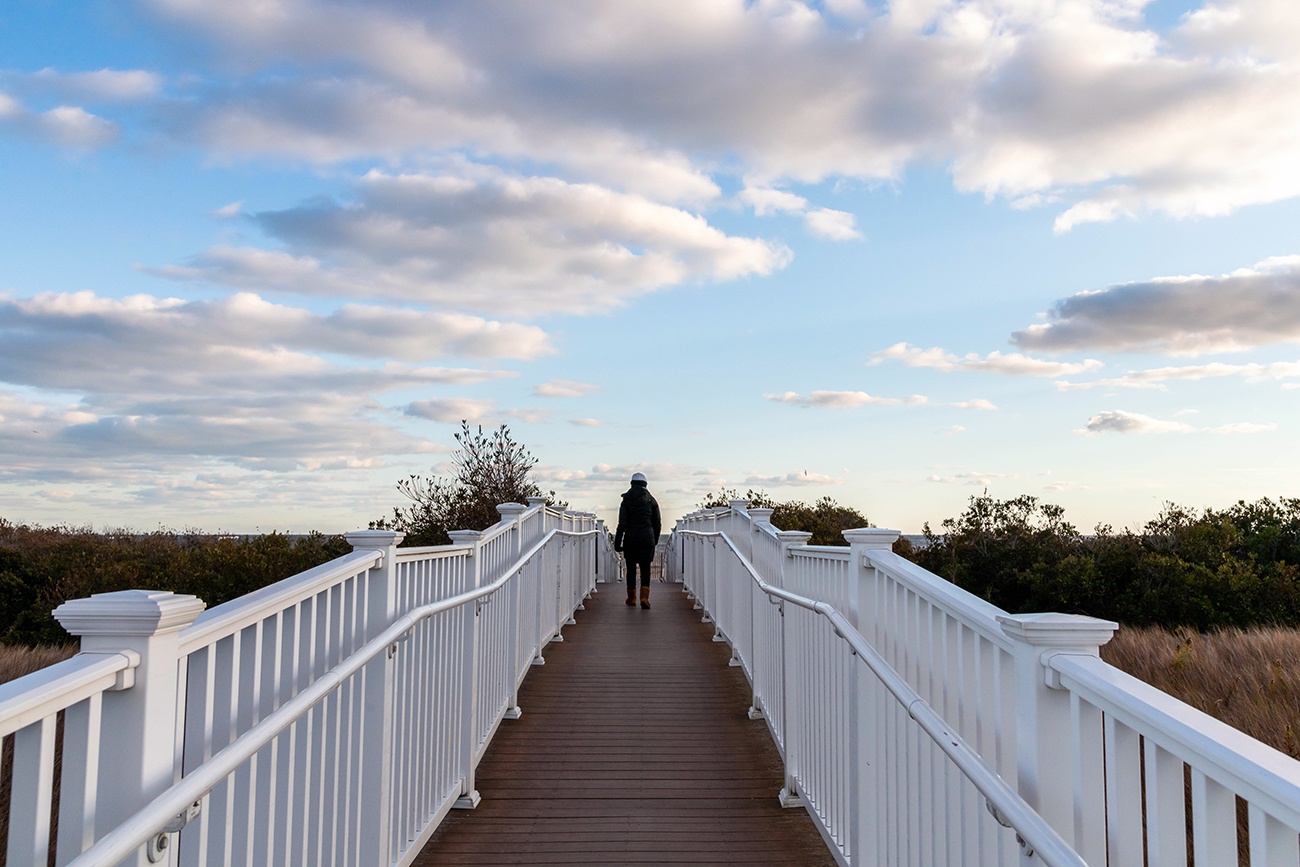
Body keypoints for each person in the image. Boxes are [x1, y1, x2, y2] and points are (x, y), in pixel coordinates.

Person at [613, 472, 661, 609]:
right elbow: (657, 523)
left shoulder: (626, 500)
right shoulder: (651, 500)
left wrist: (617, 543)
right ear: (645, 484)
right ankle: (644, 597)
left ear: (631, 484)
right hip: (647, 538)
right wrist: (655, 540)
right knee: (646, 569)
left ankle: (631, 598)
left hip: (631, 538)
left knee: (631, 569)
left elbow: (622, 523)